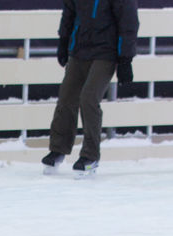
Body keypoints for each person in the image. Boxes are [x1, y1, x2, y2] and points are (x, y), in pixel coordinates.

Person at [42, 0, 139, 176]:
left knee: (88, 98)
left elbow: (128, 22)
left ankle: (90, 155)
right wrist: (63, 41)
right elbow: (69, 13)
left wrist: (125, 59)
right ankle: (58, 149)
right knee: (66, 97)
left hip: (105, 53)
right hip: (79, 49)